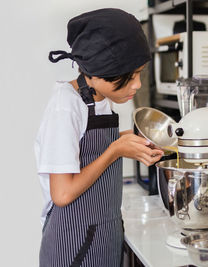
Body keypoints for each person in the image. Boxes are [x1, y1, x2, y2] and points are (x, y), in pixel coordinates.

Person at [34, 8, 164, 267]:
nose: (136, 84)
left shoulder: (101, 99)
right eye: (129, 77)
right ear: (96, 71)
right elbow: (63, 193)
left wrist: (132, 140)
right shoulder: (66, 106)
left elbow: (90, 149)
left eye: (139, 73)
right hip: (73, 245)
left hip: (104, 235)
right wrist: (115, 150)